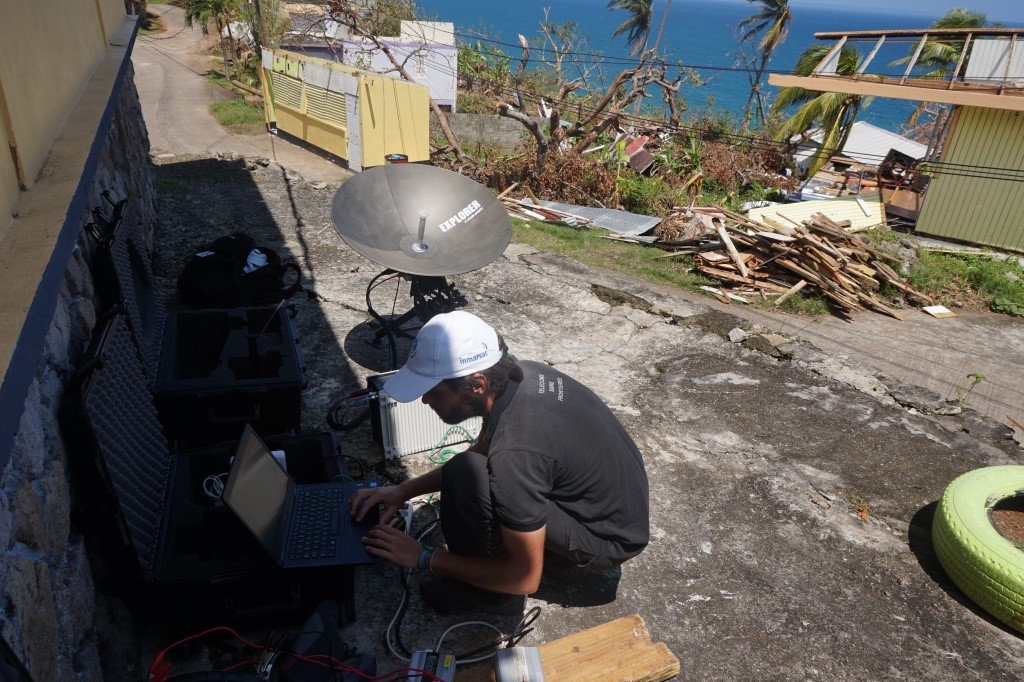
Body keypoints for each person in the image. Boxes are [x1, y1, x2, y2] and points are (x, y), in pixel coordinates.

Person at [350, 311, 649, 613]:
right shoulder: (521, 374)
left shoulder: (515, 454)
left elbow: (524, 579)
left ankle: (487, 595)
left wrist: (424, 557)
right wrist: (403, 491)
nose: (426, 401)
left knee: (471, 477)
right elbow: (483, 450)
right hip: (614, 509)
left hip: (606, 540)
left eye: (434, 391)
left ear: (476, 384)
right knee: (466, 469)